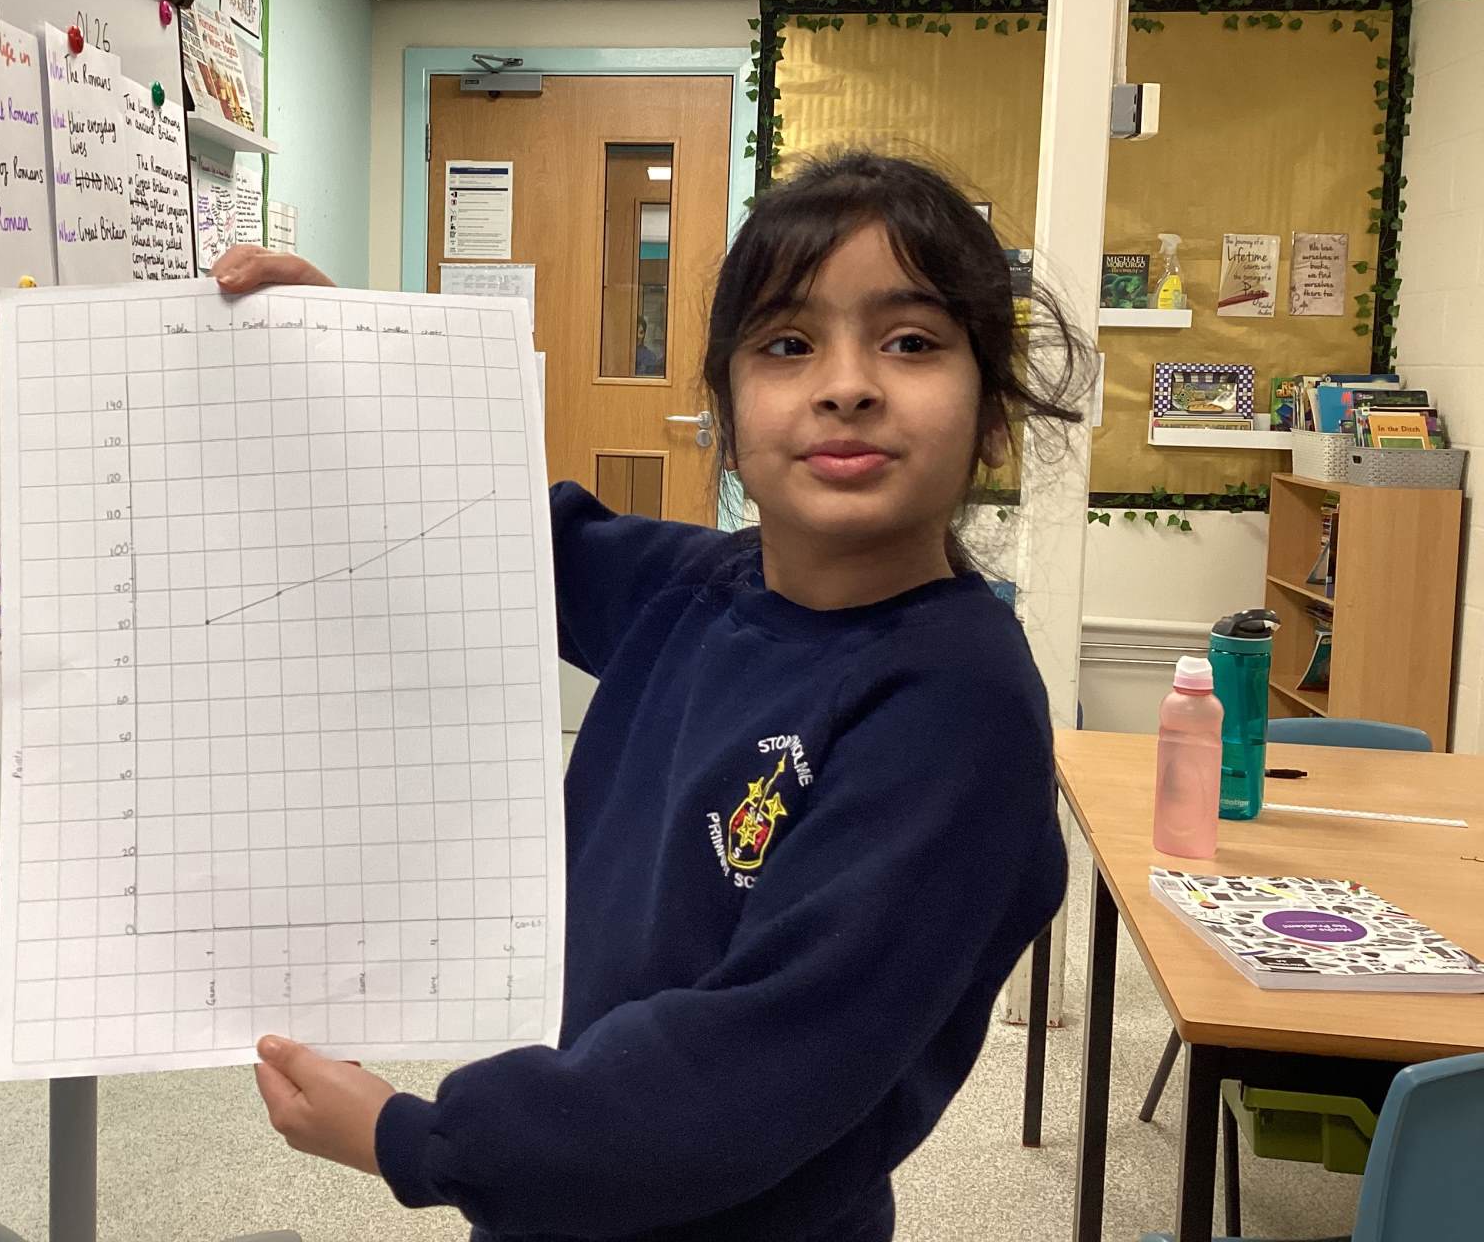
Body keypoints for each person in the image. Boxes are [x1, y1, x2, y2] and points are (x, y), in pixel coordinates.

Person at [213, 152, 1085, 1242]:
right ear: (727, 413)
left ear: (995, 417)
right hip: (578, 1204)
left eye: (910, 341)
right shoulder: (700, 589)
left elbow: (748, 1074)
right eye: (788, 344)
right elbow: (484, 537)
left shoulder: (956, 711)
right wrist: (335, 366)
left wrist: (417, 1139)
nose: (847, 384)